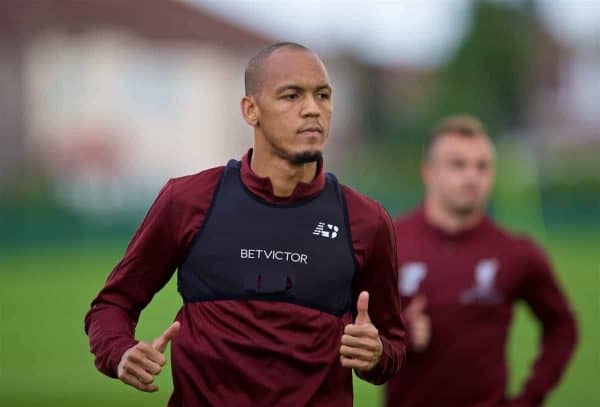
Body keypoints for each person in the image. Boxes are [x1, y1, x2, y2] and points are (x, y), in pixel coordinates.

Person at [84, 42, 405, 406]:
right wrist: (121, 353)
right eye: (291, 96)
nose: (313, 109)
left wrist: (376, 354)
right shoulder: (188, 200)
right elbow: (111, 306)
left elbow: (392, 346)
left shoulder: (366, 220)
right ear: (251, 110)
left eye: (323, 95)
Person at [386, 115, 578, 406]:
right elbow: (353, 329)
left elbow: (563, 327)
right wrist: (399, 335)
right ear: (428, 172)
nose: (472, 176)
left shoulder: (515, 252)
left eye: (482, 166)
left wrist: (530, 398)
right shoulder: (389, 242)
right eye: (458, 165)